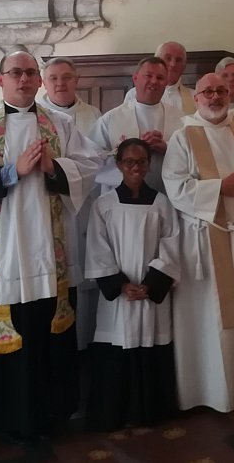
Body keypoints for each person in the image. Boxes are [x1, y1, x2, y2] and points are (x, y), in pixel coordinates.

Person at [0, 51, 101, 444]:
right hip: (1, 258)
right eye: (16, 72)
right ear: (1, 80)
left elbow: (91, 166)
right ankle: (0, 418)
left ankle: (52, 413)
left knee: (47, 336)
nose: (24, 79)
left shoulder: (61, 125)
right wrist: (12, 171)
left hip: (49, 255)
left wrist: (53, 168)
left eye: (31, 73)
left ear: (39, 80)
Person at [163, 73, 234, 412]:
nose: (214, 97)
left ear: (230, 94)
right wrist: (220, 188)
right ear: (196, 98)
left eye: (221, 91)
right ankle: (207, 392)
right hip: (204, 242)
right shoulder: (184, 135)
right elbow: (175, 187)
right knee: (210, 318)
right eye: (207, 92)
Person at [85, 138, 179, 430]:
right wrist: (122, 285)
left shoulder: (162, 203)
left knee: (151, 342)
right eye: (129, 162)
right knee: (117, 343)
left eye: (141, 162)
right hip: (120, 296)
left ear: (149, 165)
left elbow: (172, 245)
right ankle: (115, 413)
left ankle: (152, 412)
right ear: (118, 165)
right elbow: (97, 249)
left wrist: (151, 283)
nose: (136, 168)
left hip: (150, 293)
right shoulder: (104, 205)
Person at [38, 56, 103, 349]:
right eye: (53, 78)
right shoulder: (35, 116)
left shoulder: (93, 115)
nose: (60, 83)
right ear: (44, 82)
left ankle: (87, 341)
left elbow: (99, 161)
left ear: (77, 80)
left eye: (66, 77)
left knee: (87, 275)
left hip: (87, 206)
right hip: (49, 207)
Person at [91, 57, 184, 193]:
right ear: (135, 78)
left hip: (167, 196)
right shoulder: (111, 119)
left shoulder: (181, 119)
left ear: (166, 83)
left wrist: (167, 147)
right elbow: (92, 158)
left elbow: (193, 159)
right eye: (148, 76)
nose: (154, 81)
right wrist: (129, 150)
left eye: (160, 78)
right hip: (123, 199)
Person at [157, 41, 196, 114]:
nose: (173, 64)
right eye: (168, 58)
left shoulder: (196, 97)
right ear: (157, 61)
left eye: (178, 60)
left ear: (184, 66)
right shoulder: (138, 95)